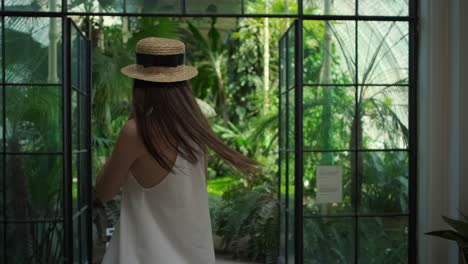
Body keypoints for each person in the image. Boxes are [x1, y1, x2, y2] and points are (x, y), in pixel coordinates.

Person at [95, 37, 261, 264]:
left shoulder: (135, 132)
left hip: (144, 255)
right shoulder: (196, 132)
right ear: (183, 84)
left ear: (139, 82)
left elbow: (102, 193)